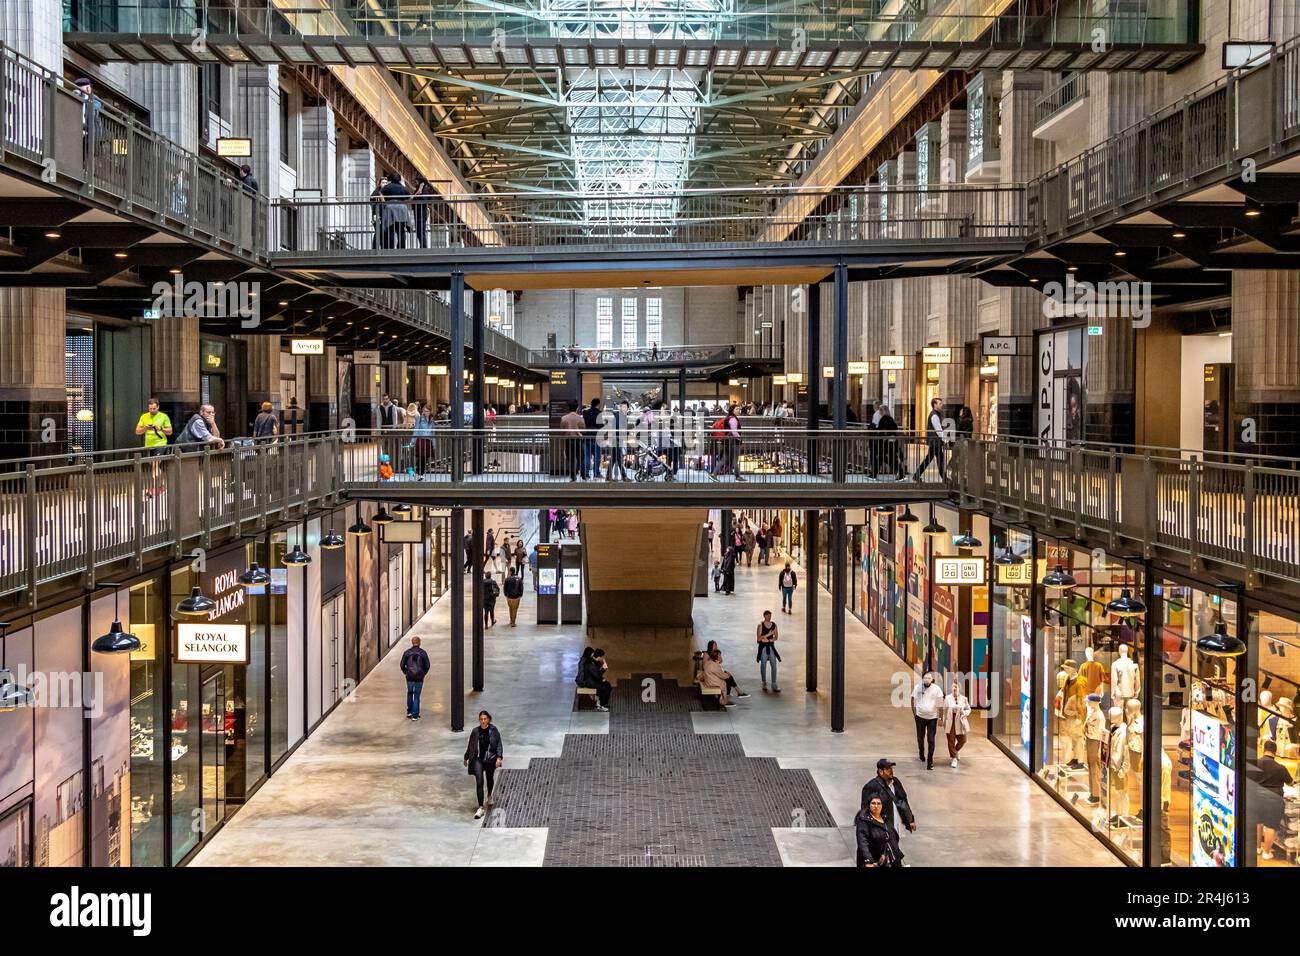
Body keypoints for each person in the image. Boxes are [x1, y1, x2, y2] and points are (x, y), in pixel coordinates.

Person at [860, 758, 917, 844]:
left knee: (894, 851)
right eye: (887, 769)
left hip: (896, 825)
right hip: (882, 828)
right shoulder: (871, 787)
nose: (891, 771)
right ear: (880, 771)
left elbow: (903, 800)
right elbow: (865, 810)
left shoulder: (896, 782)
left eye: (891, 768)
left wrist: (911, 820)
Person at [1256, 741, 1293, 860]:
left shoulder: (1255, 763)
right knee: (1271, 825)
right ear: (1275, 752)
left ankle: (1258, 848)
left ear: (1263, 749)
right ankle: (1267, 853)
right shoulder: (1280, 768)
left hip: (1258, 796)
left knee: (1259, 823)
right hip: (1274, 799)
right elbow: (1290, 782)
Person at [464, 710, 503, 819]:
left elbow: (499, 744)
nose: (483, 721)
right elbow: (470, 746)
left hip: (490, 759)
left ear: (489, 720)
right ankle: (480, 807)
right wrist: (466, 757)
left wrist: (499, 757)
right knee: (479, 781)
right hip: (478, 760)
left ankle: (489, 795)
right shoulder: (475, 731)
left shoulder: (494, 730)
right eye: (481, 719)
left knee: (489, 779)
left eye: (485, 719)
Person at [855, 796, 903, 868]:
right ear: (869, 805)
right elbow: (863, 842)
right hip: (875, 860)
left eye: (878, 803)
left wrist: (896, 853)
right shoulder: (864, 820)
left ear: (882, 805)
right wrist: (868, 860)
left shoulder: (885, 818)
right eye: (873, 803)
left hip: (890, 859)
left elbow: (893, 837)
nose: (876, 806)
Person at [912, 671, 944, 770]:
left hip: (932, 718)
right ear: (922, 679)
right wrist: (915, 715)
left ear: (932, 679)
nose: (927, 680)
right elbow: (913, 700)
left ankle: (930, 761)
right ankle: (921, 753)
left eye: (929, 678)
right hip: (920, 717)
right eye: (925, 678)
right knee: (920, 738)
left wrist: (940, 718)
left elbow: (940, 705)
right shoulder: (918, 687)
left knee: (931, 739)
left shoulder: (937, 689)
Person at [912, 397, 950, 482]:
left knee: (934, 459)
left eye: (941, 403)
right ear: (934, 405)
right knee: (935, 459)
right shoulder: (934, 415)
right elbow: (938, 430)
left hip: (935, 442)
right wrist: (945, 440)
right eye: (940, 404)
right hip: (935, 442)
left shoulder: (936, 414)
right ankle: (944, 478)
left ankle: (917, 475)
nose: (942, 405)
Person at [942, 677, 973, 767]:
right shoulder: (947, 698)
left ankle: (955, 751)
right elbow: (944, 710)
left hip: (960, 720)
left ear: (959, 688)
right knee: (951, 740)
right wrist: (942, 720)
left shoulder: (964, 699)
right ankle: (954, 758)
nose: (954, 689)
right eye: (953, 687)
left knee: (963, 740)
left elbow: (968, 709)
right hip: (950, 720)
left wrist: (965, 712)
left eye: (956, 687)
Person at [399, 636, 431, 719]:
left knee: (410, 693)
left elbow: (402, 665)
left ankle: (409, 712)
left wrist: (405, 672)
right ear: (419, 643)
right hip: (419, 677)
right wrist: (423, 673)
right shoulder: (423, 653)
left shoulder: (407, 653)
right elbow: (427, 665)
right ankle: (415, 715)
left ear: (412, 642)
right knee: (416, 695)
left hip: (409, 676)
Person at [873, 404, 905, 480]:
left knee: (886, 458)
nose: (879, 412)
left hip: (887, 442)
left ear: (883, 411)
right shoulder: (890, 419)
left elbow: (881, 431)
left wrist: (875, 430)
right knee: (884, 458)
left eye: (880, 410)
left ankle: (901, 473)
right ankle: (873, 474)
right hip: (891, 441)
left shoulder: (884, 419)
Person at [576, 646, 612, 711]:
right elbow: (597, 675)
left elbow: (596, 673)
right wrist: (604, 669)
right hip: (590, 682)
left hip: (592, 680)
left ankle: (601, 702)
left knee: (607, 684)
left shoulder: (591, 661)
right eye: (602, 657)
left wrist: (601, 678)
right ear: (599, 657)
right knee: (606, 687)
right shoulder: (590, 663)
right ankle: (602, 704)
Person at [560, 399, 586, 481]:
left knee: (571, 459)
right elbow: (583, 428)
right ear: (577, 408)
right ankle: (583, 475)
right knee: (581, 458)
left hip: (569, 440)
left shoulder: (564, 418)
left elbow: (562, 429)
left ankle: (573, 477)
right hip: (578, 440)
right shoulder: (580, 418)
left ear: (568, 408)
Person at [756, 609, 781, 692]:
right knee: (763, 664)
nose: (769, 617)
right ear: (764, 616)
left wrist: (769, 640)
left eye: (770, 616)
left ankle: (774, 683)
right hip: (763, 648)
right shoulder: (760, 625)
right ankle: (764, 682)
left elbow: (776, 637)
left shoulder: (774, 625)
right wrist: (769, 634)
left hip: (771, 646)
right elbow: (759, 639)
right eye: (767, 616)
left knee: (774, 664)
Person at [581, 397, 603, 479]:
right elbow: (601, 426)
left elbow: (583, 424)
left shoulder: (585, 413)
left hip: (586, 437)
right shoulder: (599, 414)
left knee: (587, 456)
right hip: (596, 437)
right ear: (598, 404)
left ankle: (586, 474)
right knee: (597, 457)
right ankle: (596, 474)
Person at [412, 173, 435, 247]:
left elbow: (423, 199)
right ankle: (422, 245)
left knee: (420, 230)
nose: (415, 183)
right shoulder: (421, 188)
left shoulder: (425, 188)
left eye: (416, 181)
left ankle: (423, 246)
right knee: (420, 230)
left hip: (421, 211)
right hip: (419, 211)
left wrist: (419, 191)